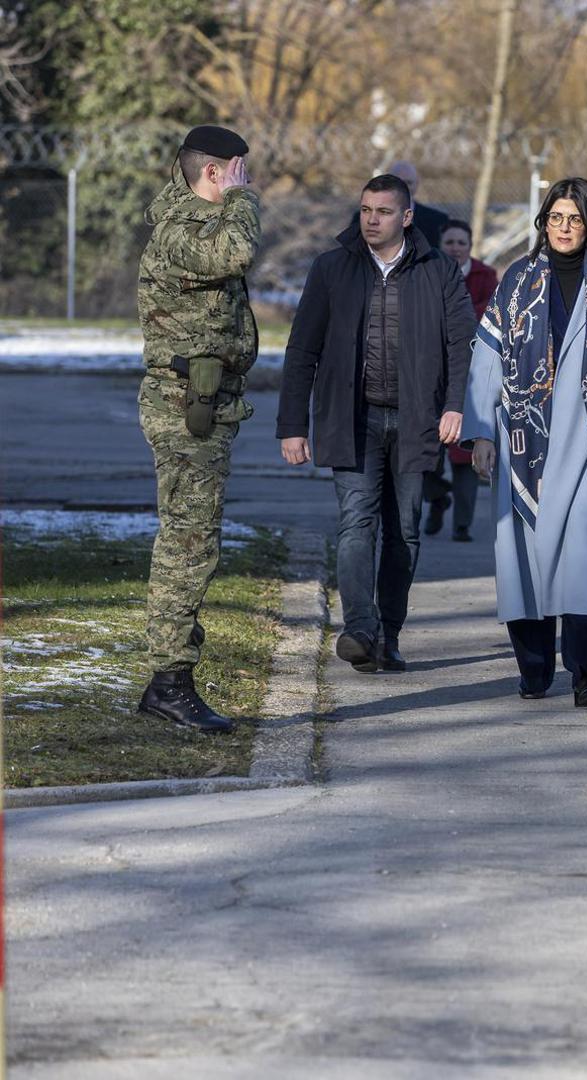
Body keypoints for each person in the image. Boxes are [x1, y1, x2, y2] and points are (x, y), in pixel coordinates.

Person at [461, 177, 587, 708]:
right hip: (525, 447)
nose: (565, 228)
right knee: (525, 563)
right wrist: (481, 431)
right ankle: (533, 670)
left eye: (575, 219)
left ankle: (586, 675)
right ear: (543, 221)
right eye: (556, 217)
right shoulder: (516, 282)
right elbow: (487, 358)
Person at [278, 173, 474, 674]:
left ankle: (389, 633)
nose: (372, 219)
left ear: (406, 217)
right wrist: (292, 425)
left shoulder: (440, 271)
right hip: (353, 418)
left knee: (405, 531)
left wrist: (456, 407)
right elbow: (303, 349)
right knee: (356, 522)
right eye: (366, 209)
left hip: (417, 419)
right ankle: (359, 628)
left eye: (383, 211)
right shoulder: (333, 268)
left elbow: (461, 346)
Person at [134, 124, 262, 733]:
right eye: (238, 172)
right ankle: (169, 682)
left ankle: (170, 676)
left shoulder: (193, 223)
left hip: (204, 406)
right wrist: (245, 200)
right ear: (216, 171)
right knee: (188, 548)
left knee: (193, 543)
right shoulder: (183, 230)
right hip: (186, 410)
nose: (245, 182)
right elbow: (236, 253)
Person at [425, 218, 499, 542]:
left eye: (461, 243)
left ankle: (462, 524)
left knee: (463, 451)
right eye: (449, 243)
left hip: (473, 370)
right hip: (430, 370)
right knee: (424, 452)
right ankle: (437, 497)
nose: (455, 248)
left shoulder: (485, 276)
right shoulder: (428, 271)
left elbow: (491, 314)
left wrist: (457, 314)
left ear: (470, 247)